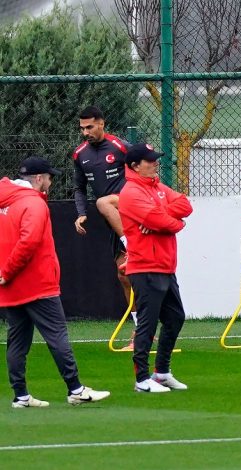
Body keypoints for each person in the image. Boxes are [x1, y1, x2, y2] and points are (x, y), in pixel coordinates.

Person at [0, 156, 110, 407]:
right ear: (39, 178)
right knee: (57, 336)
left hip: (11, 287)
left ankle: (21, 395)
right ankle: (75, 389)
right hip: (37, 284)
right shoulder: (33, 203)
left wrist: (5, 273)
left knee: (17, 341)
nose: (50, 183)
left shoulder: (6, 200)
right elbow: (29, 241)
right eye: (49, 178)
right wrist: (8, 270)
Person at [118, 143, 192, 393]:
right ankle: (142, 380)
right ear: (135, 166)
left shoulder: (157, 187)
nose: (155, 163)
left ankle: (161, 372)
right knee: (147, 324)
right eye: (150, 161)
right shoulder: (131, 192)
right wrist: (176, 223)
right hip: (145, 267)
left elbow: (185, 205)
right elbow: (160, 221)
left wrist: (164, 216)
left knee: (175, 318)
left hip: (165, 265)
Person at [72, 105, 138, 350]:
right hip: (111, 222)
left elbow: (144, 172)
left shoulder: (121, 147)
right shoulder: (80, 154)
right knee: (124, 275)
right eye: (82, 128)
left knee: (137, 273)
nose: (85, 132)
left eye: (89, 127)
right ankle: (141, 329)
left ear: (101, 123)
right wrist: (81, 213)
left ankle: (146, 330)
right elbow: (79, 188)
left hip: (132, 215)